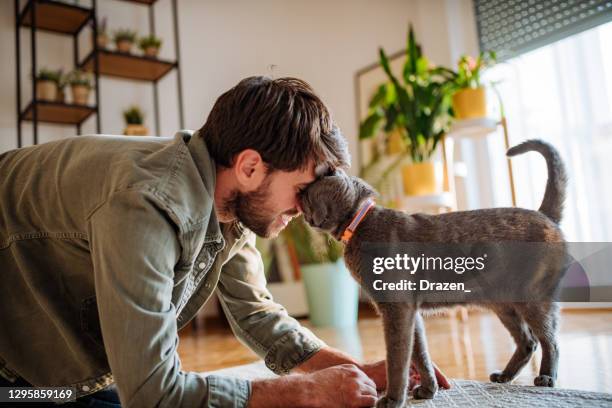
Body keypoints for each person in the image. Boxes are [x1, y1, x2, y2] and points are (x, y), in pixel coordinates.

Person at [0, 76, 449, 407]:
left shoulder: (226, 198)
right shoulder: (146, 206)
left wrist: (344, 368)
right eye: (302, 190)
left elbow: (255, 312)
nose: (308, 210)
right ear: (251, 166)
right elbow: (152, 394)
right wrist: (300, 393)